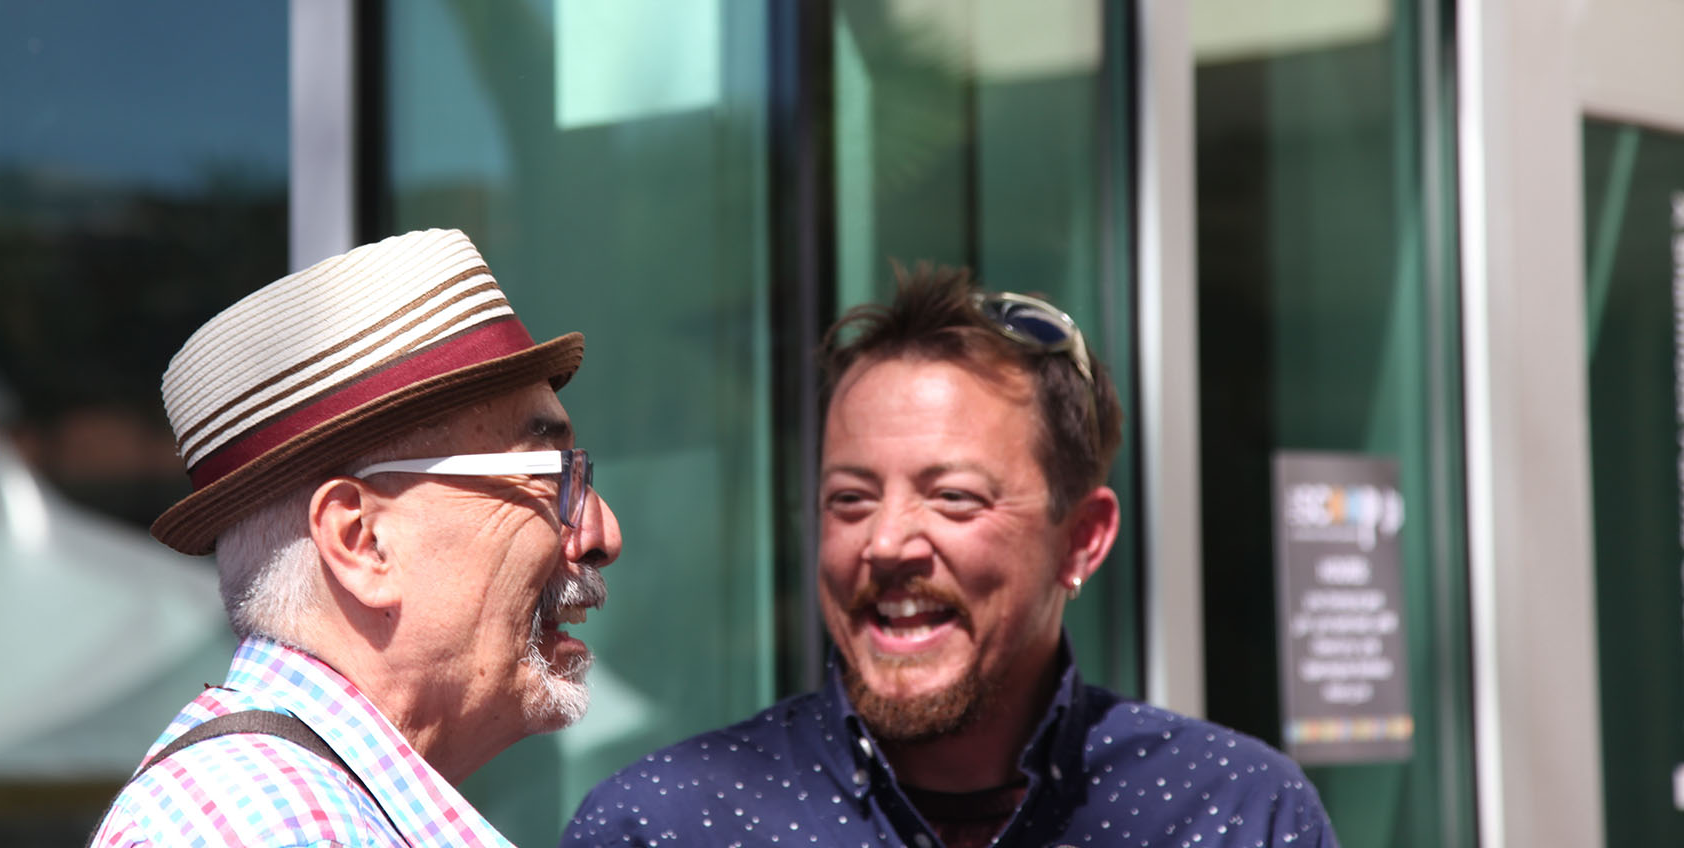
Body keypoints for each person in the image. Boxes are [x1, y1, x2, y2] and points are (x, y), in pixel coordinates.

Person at [563, 265, 1334, 848]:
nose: (888, 542)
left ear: (1084, 538)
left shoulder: (1232, 813)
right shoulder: (666, 826)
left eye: (955, 498)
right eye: (851, 500)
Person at [93, 228, 622, 847]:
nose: (600, 533)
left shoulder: (295, 808)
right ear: (362, 540)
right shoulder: (275, 827)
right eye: (549, 476)